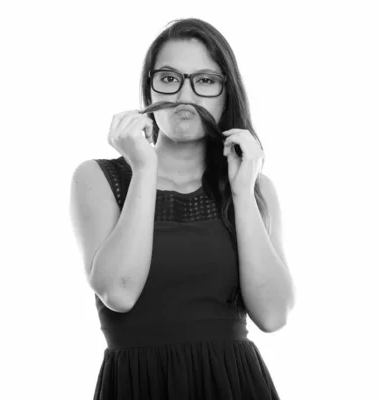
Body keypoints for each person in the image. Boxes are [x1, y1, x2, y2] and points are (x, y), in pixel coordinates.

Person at [69, 18, 295, 399]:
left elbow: (273, 316)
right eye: (170, 78)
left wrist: (242, 194)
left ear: (227, 94)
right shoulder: (99, 178)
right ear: (149, 89)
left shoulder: (255, 189)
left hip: (236, 385)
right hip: (137, 386)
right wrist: (144, 169)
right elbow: (118, 292)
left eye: (205, 80)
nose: (184, 96)